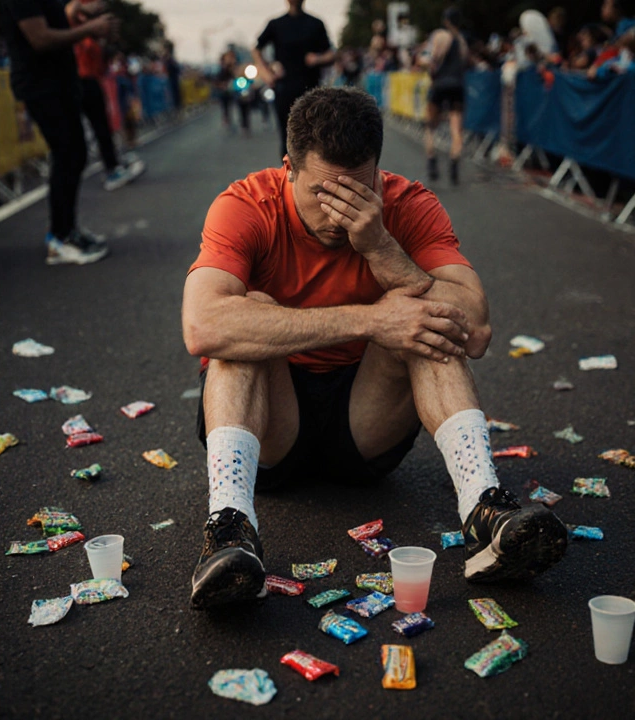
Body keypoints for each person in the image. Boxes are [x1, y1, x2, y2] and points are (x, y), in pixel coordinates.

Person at [181, 87, 568, 608]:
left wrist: (382, 248)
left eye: (359, 192)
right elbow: (202, 327)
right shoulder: (246, 204)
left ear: (379, 173)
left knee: (427, 321)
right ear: (288, 168)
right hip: (272, 423)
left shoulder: (407, 204)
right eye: (323, 192)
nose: (339, 212)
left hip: (364, 425)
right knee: (246, 315)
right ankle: (228, 531)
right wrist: (371, 319)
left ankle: (487, 513)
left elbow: (474, 330)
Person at [0, 0, 118, 265]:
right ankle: (60, 238)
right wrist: (89, 29)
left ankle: (67, 230)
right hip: (41, 86)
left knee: (75, 154)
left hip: (60, 83)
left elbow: (50, 20)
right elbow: (39, 38)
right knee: (67, 154)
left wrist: (74, 14)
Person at [65, 0, 145, 192]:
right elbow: (70, 10)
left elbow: (105, 53)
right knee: (81, 135)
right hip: (78, 80)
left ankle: (112, 165)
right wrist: (86, 11)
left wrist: (108, 36)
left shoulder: (95, 30)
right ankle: (109, 168)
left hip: (92, 78)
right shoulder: (76, 17)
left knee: (102, 127)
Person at [252, 0, 337, 162]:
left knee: (313, 136)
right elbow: (256, 48)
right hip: (284, 88)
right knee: (286, 135)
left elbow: (331, 54)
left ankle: (310, 176)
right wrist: (266, 72)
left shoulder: (315, 23)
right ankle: (287, 178)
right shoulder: (276, 24)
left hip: (311, 89)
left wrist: (318, 58)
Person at [421, 7, 469, 184]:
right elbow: (464, 62)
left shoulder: (440, 36)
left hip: (440, 84)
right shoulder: (462, 40)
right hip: (457, 85)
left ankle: (432, 159)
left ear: (446, 20)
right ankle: (454, 161)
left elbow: (431, 58)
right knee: (456, 127)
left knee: (430, 126)